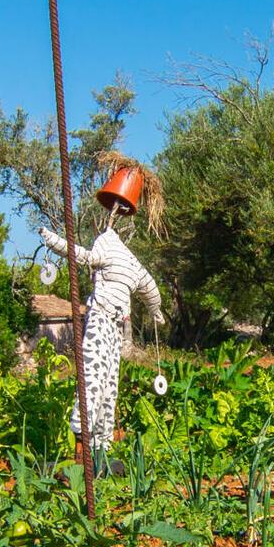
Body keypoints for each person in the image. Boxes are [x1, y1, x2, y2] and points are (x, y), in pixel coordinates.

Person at [37, 153, 165, 469]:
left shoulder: (117, 252)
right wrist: (156, 310)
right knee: (96, 381)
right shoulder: (118, 252)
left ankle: (98, 453)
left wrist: (156, 310)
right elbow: (149, 287)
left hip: (110, 324)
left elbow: (85, 257)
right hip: (103, 320)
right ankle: (85, 449)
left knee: (104, 384)